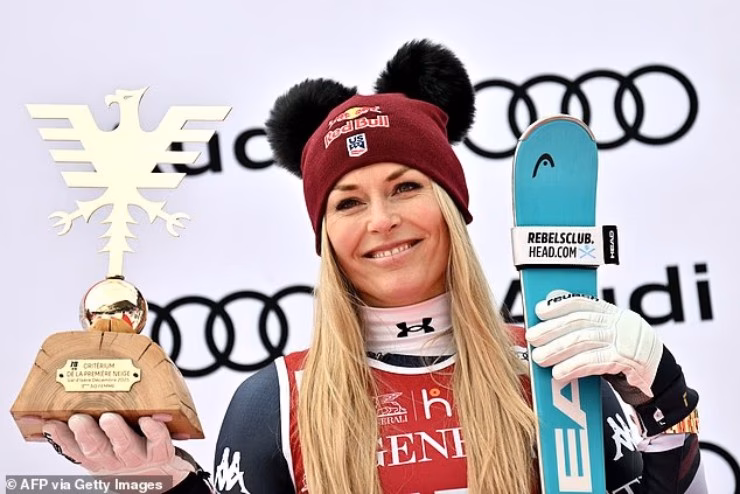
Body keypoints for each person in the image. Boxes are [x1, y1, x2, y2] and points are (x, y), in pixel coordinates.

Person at [38, 40, 706, 493]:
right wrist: (168, 487)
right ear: (325, 237)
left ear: (452, 208)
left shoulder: (550, 369)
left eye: (406, 187)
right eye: (349, 202)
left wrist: (665, 397)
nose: (381, 220)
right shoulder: (276, 403)